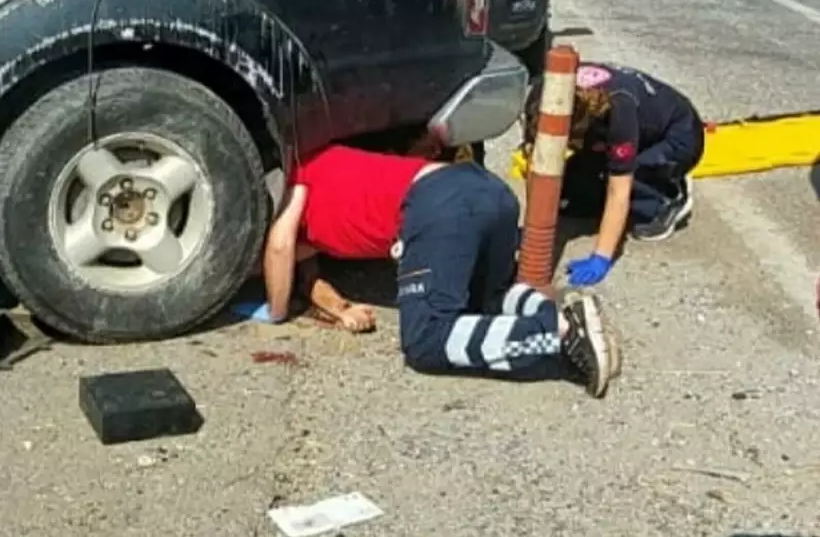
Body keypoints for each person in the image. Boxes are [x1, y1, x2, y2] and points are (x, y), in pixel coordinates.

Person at [254, 141, 617, 397]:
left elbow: (280, 246)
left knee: (427, 339)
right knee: (487, 300)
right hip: (487, 191)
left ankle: (557, 335)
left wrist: (276, 312)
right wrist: (339, 308)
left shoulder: (295, 176)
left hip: (439, 205)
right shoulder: (322, 163)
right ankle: (564, 316)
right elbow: (303, 263)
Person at [522, 62, 704, 289]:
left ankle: (667, 197)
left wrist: (602, 257)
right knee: (571, 197)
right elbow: (536, 163)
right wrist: (534, 225)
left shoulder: (619, 109)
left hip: (678, 136)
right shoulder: (541, 97)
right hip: (606, 127)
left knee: (629, 182)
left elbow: (619, 189)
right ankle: (602, 181)